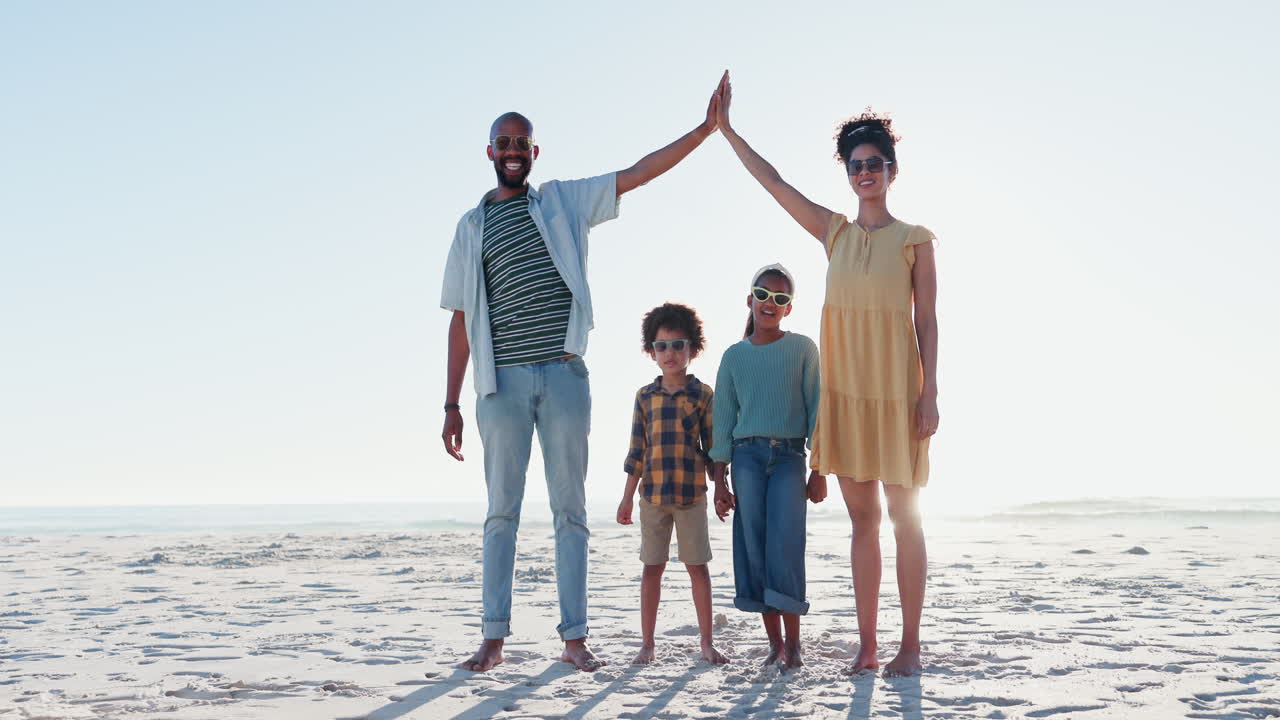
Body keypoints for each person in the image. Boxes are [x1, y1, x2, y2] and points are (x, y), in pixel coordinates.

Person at [440, 76, 727, 673]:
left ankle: (574, 638)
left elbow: (637, 174)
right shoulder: (471, 227)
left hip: (564, 376)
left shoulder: (564, 202)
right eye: (503, 141)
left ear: (534, 153)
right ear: (490, 153)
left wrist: (705, 131)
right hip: (501, 385)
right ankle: (493, 638)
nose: (513, 149)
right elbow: (461, 321)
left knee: (570, 512)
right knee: (501, 513)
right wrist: (451, 405)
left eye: (523, 141)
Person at [713, 73, 939, 677]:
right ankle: (869, 646)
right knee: (863, 523)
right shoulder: (833, 232)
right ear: (846, 172)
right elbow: (773, 182)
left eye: (875, 162)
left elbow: (928, 323)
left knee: (905, 520)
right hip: (845, 399)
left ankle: (909, 644)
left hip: (897, 397)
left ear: (892, 169)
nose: (865, 172)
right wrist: (727, 131)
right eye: (855, 163)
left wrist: (930, 395)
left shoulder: (916, 242)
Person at [710, 265, 825, 672]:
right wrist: (719, 482)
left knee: (786, 547)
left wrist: (820, 469)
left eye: (779, 298)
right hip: (746, 459)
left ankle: (795, 646)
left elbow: (817, 412)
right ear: (750, 299)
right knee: (754, 546)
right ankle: (775, 644)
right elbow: (722, 418)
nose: (769, 303)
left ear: (789, 308)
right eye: (763, 294)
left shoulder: (803, 350)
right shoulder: (734, 356)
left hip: (791, 459)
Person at [616, 303, 729, 666]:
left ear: (693, 349)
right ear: (651, 351)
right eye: (662, 346)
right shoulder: (644, 397)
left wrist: (721, 491)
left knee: (698, 568)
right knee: (652, 568)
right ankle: (647, 643)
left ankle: (707, 643)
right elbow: (637, 450)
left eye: (678, 345)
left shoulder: (703, 395)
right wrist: (626, 499)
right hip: (652, 497)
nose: (670, 353)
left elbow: (712, 450)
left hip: (691, 495)